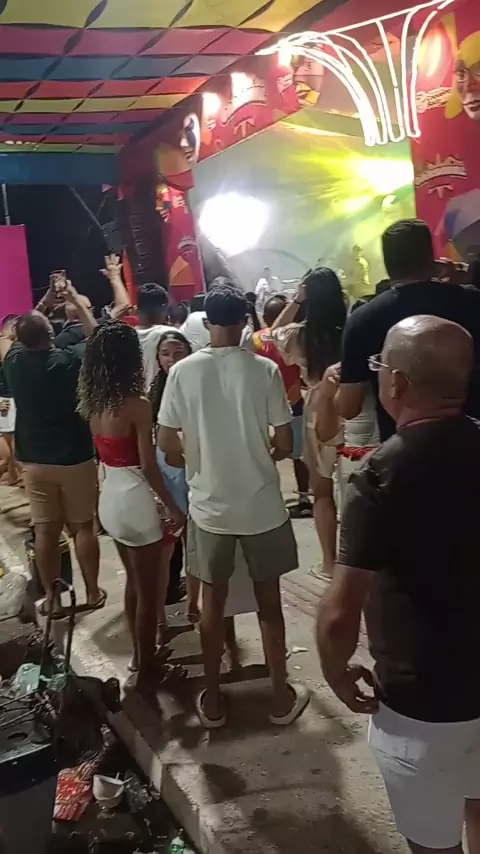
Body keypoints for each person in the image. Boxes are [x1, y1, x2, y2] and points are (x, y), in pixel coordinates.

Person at [317, 315, 480, 854]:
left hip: (422, 707)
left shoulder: (381, 474)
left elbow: (341, 609)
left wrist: (336, 670)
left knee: (433, 844)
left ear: (399, 382)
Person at [158, 279, 308, 728]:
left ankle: (214, 702)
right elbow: (285, 443)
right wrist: (258, 452)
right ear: (245, 321)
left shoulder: (183, 372)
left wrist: (197, 457)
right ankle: (279, 698)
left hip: (210, 509)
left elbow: (167, 445)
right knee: (269, 604)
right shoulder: (264, 370)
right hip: (262, 507)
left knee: (212, 605)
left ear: (207, 322)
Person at [78, 321, 184, 693]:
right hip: (136, 500)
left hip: (111, 496)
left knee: (134, 585)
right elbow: (149, 467)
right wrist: (172, 506)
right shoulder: (137, 404)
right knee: (150, 592)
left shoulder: (93, 403)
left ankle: (141, 657)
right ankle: (148, 669)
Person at [150, 329, 256, 667]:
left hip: (197, 474)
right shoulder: (154, 394)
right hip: (168, 477)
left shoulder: (198, 382)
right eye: (165, 353)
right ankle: (159, 620)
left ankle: (194, 607)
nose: (171, 359)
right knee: (165, 551)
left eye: (177, 352)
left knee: (196, 548)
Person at [1, 286, 103, 618]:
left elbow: (17, 334)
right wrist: (74, 300)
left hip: (33, 460)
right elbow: (96, 337)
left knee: (45, 530)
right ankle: (92, 592)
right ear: (51, 333)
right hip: (75, 456)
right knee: (83, 527)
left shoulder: (14, 362)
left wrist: (44, 301)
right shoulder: (68, 360)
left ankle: (53, 599)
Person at [337, 219, 480, 442]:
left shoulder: (363, 319)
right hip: (472, 439)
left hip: (404, 448)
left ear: (387, 263)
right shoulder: (473, 301)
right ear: (431, 256)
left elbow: (348, 407)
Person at [271, 268, 347, 578]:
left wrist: (296, 299)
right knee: (356, 487)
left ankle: (330, 563)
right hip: (354, 404)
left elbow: (273, 332)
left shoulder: (301, 334)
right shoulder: (351, 327)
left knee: (323, 490)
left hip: (317, 406)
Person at [253, 295, 311, 517]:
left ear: (266, 317)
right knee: (300, 455)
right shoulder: (294, 337)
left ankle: (270, 497)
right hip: (294, 403)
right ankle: (304, 498)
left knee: (266, 453)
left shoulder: (255, 340)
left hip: (264, 406)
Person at [36, 255, 131, 349]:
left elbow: (124, 307)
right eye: (71, 301)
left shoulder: (99, 325)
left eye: (79, 302)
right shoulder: (57, 337)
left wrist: (115, 278)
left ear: (91, 311)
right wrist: (45, 302)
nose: (74, 299)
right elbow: (30, 327)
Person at [135, 282, 171, 389]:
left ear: (137, 309)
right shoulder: (171, 335)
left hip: (136, 398)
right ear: (164, 307)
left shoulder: (126, 336)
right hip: (164, 395)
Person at [0, 315, 21, 485]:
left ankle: (14, 475)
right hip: (6, 399)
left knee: (10, 439)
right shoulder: (4, 342)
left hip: (9, 398)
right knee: (12, 442)